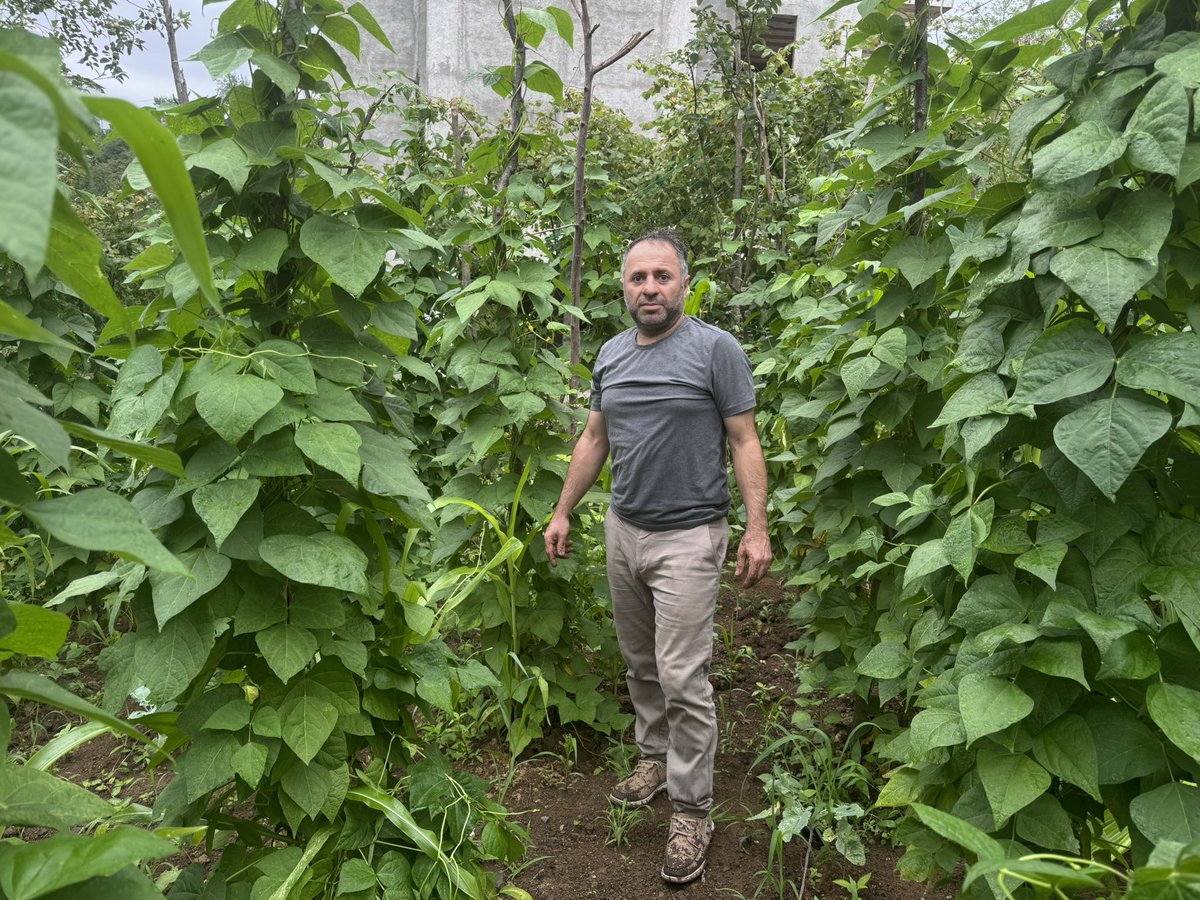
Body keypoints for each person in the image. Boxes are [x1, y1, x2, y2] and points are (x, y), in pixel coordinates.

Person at [544, 228, 772, 884]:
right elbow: (594, 438)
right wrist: (563, 511)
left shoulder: (714, 350)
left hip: (691, 536)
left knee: (682, 675)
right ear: (623, 287)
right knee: (640, 662)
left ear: (683, 283)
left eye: (662, 276)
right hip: (625, 529)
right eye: (638, 277)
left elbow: (744, 440)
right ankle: (654, 757)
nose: (650, 288)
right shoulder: (613, 356)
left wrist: (756, 528)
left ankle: (692, 808)